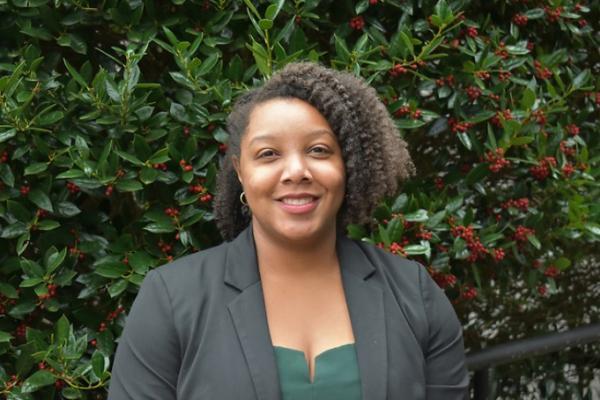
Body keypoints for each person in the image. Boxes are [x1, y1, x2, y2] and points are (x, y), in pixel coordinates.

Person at [107, 62, 469, 400]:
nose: (296, 171)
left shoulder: (414, 294)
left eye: (318, 150)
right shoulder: (171, 300)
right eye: (268, 154)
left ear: (350, 166)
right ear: (240, 172)